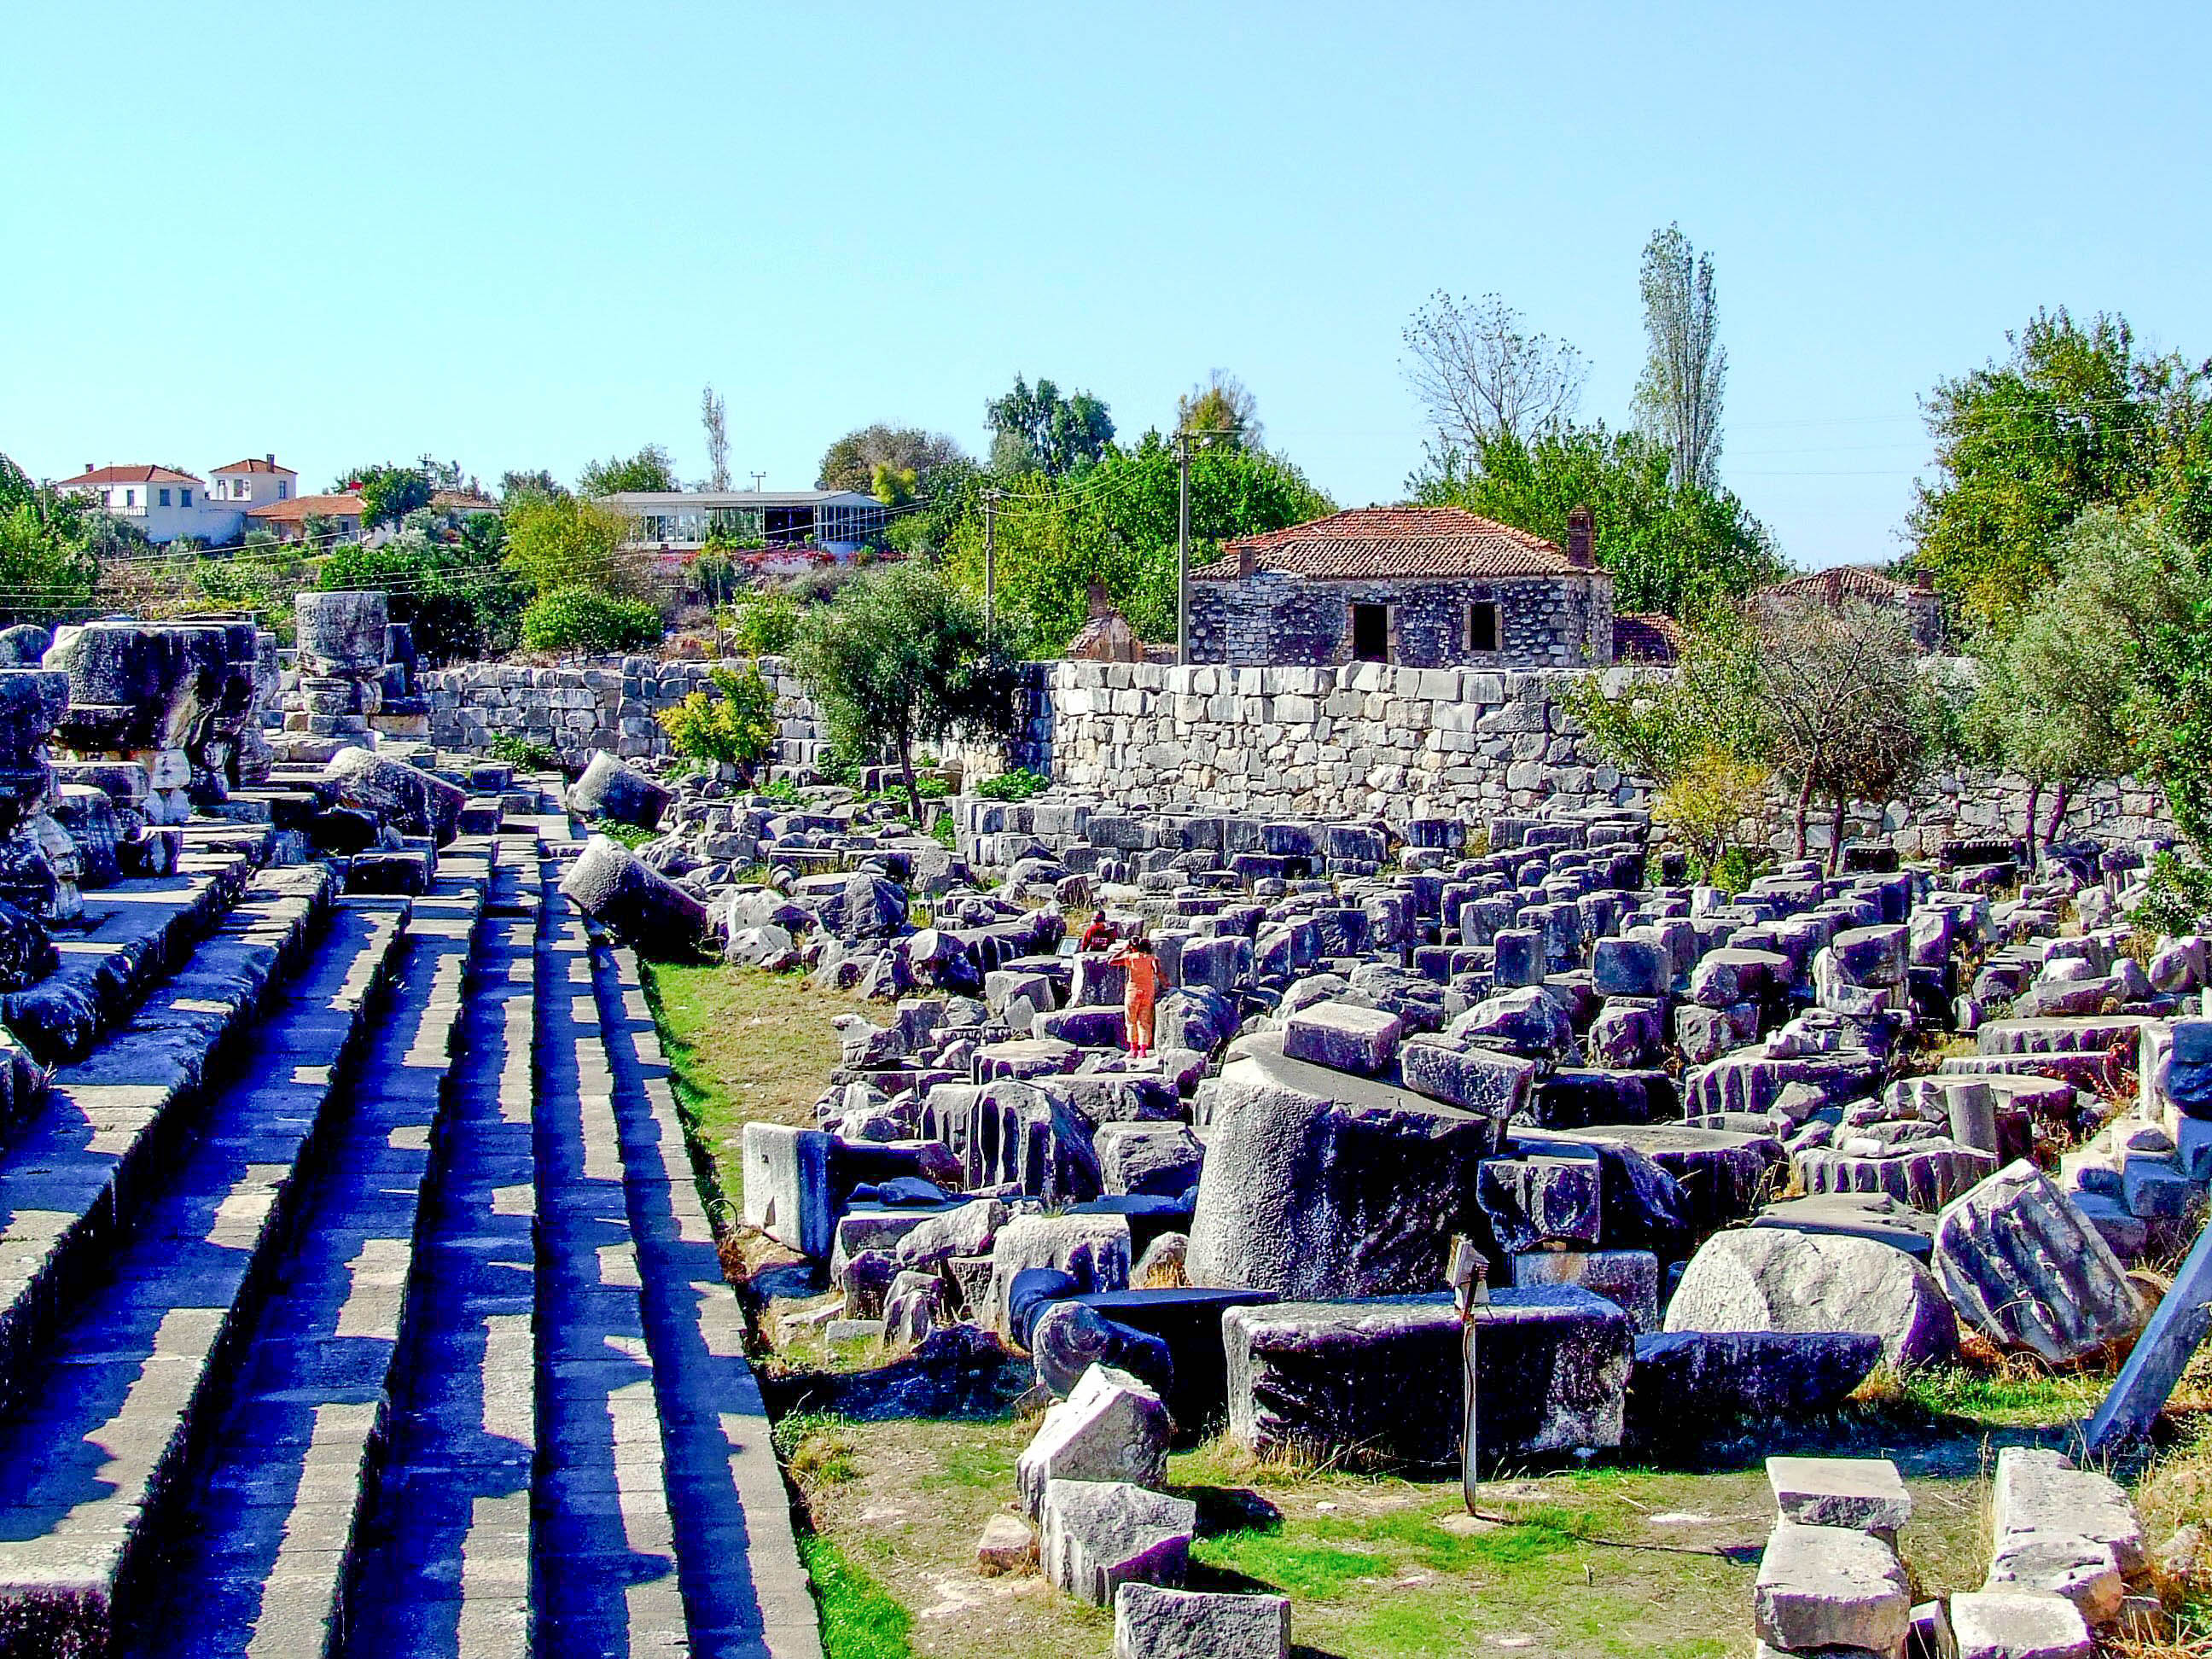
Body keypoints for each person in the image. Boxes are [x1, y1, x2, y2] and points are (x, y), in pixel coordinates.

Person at [1108, 928, 1160, 1057]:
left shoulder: (1130, 958)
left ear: (1131, 947)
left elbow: (1111, 961)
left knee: (1131, 1020)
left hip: (1133, 991)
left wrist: (1123, 949)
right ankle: (1143, 1050)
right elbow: (1157, 970)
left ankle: (1133, 1049)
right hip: (1147, 992)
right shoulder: (1151, 958)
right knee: (1145, 1021)